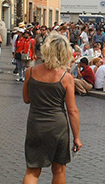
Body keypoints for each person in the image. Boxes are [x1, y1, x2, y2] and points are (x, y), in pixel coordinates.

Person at [22, 33, 82, 184]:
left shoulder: (31, 72)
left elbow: (26, 99)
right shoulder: (66, 77)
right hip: (58, 127)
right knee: (59, 170)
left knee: (33, 170)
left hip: (36, 124)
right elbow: (72, 110)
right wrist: (76, 137)